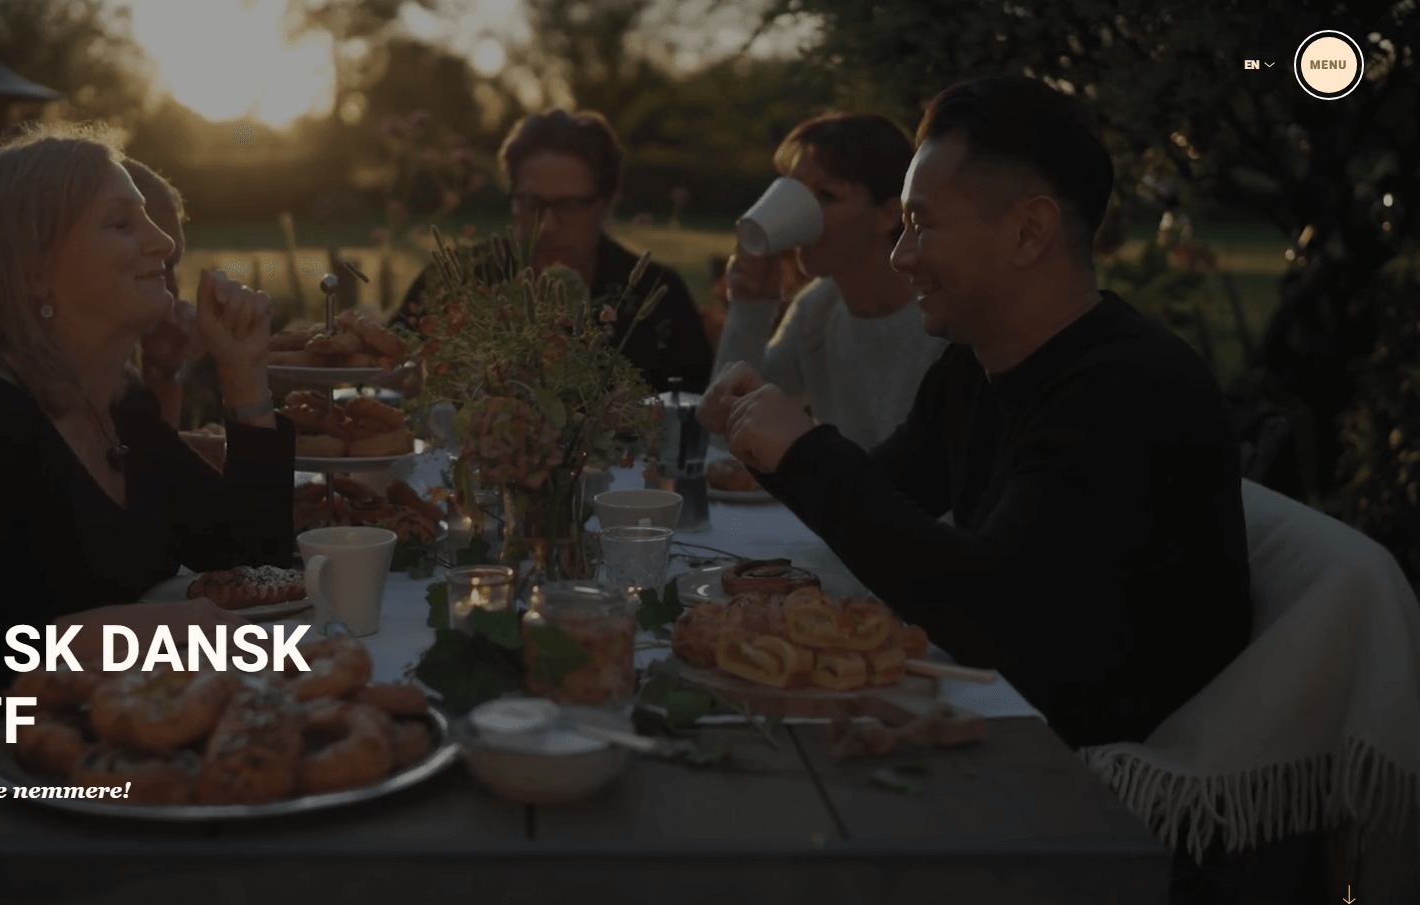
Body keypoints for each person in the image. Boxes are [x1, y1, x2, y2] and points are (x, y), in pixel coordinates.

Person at [702, 76, 1252, 749]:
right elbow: (887, 496)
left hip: (1079, 764)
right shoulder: (976, 364)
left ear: (1028, 232)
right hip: (999, 708)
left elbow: (990, 612)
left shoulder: (1126, 389)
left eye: (922, 224)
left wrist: (804, 451)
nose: (902, 256)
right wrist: (768, 442)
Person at [0, 122, 292, 782]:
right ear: (32, 269)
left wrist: (245, 376)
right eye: (121, 224)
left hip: (123, 756)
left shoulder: (116, 403)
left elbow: (252, 555)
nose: (163, 243)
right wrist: (85, 639)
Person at [0, 159, 204, 492]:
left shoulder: (42, 341)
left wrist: (163, 372)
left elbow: (148, 481)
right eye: (123, 224)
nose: (173, 290)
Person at [388, 109, 715, 394]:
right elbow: (382, 373)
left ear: (607, 202)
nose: (546, 226)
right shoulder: (453, 280)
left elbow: (699, 411)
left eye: (569, 206)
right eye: (531, 203)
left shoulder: (655, 297)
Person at [712, 113, 949, 451]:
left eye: (826, 196)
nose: (800, 213)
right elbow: (726, 428)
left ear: (887, 214)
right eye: (795, 192)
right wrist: (750, 306)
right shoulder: (818, 309)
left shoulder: (942, 321)